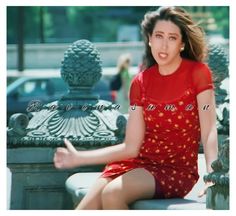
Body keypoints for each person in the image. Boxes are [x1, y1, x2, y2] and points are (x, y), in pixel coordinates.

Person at [54, 6, 218, 210]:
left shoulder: (198, 74)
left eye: (172, 38)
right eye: (159, 36)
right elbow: (131, 146)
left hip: (174, 169)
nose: (164, 45)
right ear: (149, 39)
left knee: (112, 194)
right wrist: (80, 157)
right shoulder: (139, 82)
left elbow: (209, 129)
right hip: (134, 164)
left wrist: (213, 174)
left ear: (182, 44)